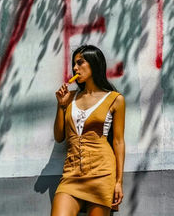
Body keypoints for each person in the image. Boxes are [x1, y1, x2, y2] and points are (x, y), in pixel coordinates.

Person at [51, 45, 125, 216]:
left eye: (80, 63)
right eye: (74, 64)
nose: (75, 68)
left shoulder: (115, 99)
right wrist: (61, 106)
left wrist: (118, 182)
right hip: (71, 174)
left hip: (102, 172)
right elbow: (59, 136)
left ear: (94, 63)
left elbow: (118, 141)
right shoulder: (69, 97)